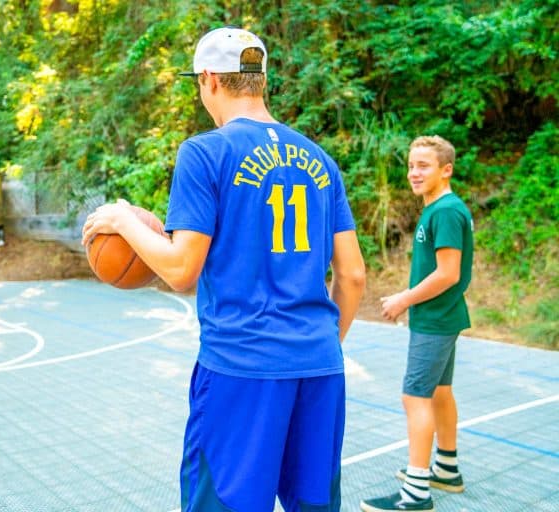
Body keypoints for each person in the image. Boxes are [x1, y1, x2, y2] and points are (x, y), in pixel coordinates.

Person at [82, 27, 366, 512]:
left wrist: (123, 220)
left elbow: (180, 268)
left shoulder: (205, 151)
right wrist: (315, 343)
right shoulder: (321, 160)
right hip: (319, 365)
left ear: (210, 79)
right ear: (261, 80)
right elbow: (354, 275)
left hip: (242, 367)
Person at [360, 136, 473, 512]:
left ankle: (416, 493)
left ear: (446, 170)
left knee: (415, 396)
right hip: (441, 317)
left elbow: (448, 273)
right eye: (411, 165)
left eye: (423, 165)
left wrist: (403, 300)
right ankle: (446, 469)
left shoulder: (445, 211)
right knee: (439, 393)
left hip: (436, 320)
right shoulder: (441, 209)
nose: (414, 172)